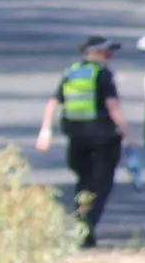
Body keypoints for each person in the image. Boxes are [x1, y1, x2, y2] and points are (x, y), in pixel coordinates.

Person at [34, 35, 135, 248]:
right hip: (104, 140)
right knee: (101, 185)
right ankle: (87, 228)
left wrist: (46, 131)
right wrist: (129, 135)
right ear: (96, 53)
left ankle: (81, 224)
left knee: (84, 182)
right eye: (107, 52)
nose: (110, 56)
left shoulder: (72, 72)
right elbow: (113, 107)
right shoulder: (103, 75)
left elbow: (53, 102)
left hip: (76, 138)